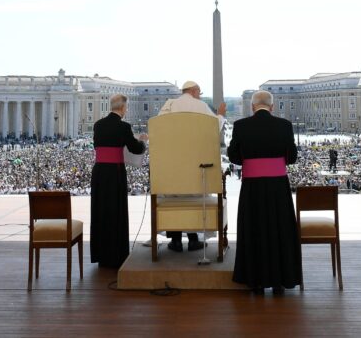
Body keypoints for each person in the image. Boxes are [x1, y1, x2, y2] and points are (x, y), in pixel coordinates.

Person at [227, 90, 302, 294]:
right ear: (272, 106)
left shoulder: (241, 126)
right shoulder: (284, 126)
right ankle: (280, 281)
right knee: (279, 229)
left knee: (254, 228)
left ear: (252, 107)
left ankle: (255, 281)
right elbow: (292, 157)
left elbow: (233, 156)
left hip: (252, 187)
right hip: (278, 186)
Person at [158, 80, 227, 252]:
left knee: (174, 199)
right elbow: (213, 128)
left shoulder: (169, 106)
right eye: (199, 92)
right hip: (195, 162)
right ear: (194, 91)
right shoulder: (200, 106)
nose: (199, 95)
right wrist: (220, 115)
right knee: (194, 199)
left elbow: (158, 130)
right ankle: (193, 239)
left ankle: (175, 241)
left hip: (173, 163)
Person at [89, 94, 146, 269]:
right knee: (116, 212)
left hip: (99, 172)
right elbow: (135, 148)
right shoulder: (124, 127)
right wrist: (142, 141)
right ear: (122, 108)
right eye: (126, 107)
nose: (126, 110)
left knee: (101, 211)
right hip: (115, 173)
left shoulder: (98, 125)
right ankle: (116, 255)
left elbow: (97, 146)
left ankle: (101, 255)